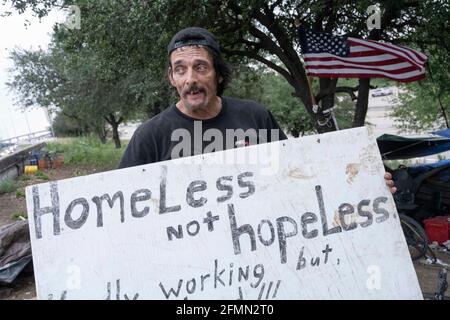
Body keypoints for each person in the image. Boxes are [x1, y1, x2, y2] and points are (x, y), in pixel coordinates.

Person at [118, 27, 396, 193]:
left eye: (200, 67)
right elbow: (118, 207)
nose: (190, 78)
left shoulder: (255, 116)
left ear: (219, 75)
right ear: (172, 78)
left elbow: (296, 176)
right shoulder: (149, 136)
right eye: (180, 70)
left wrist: (364, 183)